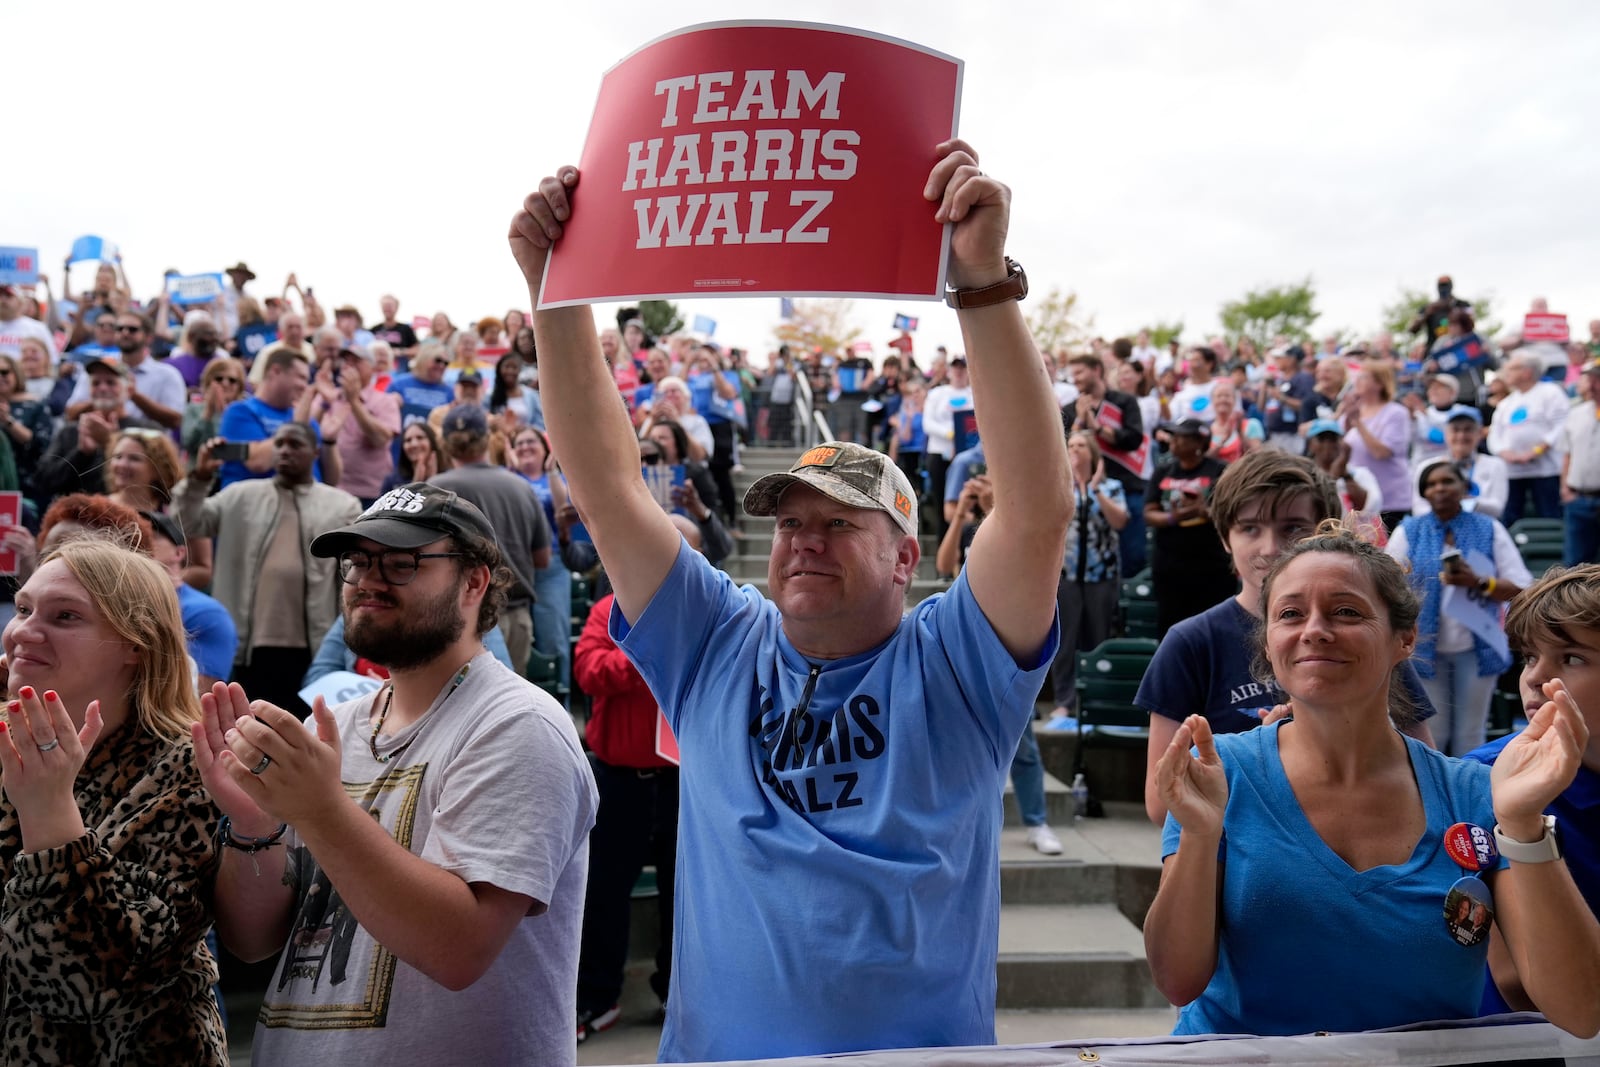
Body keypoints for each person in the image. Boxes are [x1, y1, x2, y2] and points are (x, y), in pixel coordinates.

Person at [513, 140, 1070, 1061]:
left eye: (841, 523)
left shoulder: (957, 664)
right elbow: (608, 483)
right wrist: (556, 291)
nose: (805, 538)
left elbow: (1039, 510)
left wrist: (978, 283)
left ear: (904, 559)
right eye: (793, 521)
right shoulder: (717, 641)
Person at [1145, 526, 1600, 1038]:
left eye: (1346, 612)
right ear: (1269, 644)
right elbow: (1177, 982)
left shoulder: (1478, 792)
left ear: (1404, 638)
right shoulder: (1219, 772)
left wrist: (1522, 826)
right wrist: (1200, 839)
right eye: (1290, 614)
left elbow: (1581, 1010)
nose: (1315, 630)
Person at [197, 485, 598, 1064]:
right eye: (357, 561)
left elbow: (459, 948)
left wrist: (321, 812)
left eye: (401, 562)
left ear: (474, 582)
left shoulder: (519, 724)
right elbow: (252, 941)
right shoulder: (338, 725)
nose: (368, 578)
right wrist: (253, 824)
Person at [0, 537, 229, 1063]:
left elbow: (87, 982)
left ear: (136, 645)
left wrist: (48, 812)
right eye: (23, 608)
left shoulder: (192, 769)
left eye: (64, 616)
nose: (23, 632)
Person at [1137, 451, 1436, 824]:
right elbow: (1160, 802)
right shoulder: (1190, 643)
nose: (1270, 547)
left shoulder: (1364, 637)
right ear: (1224, 538)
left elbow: (1425, 775)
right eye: (1250, 528)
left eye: (1293, 528)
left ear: (1323, 531)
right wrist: (1258, 762)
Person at [571, 514, 711, 1043]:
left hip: (684, 783)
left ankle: (678, 1000)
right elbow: (588, 672)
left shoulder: (710, 616)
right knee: (604, 891)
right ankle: (596, 1000)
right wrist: (645, 656)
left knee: (688, 896)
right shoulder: (608, 610)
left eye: (686, 553)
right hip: (619, 778)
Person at [1462, 564, 1600, 1014]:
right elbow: (1516, 982)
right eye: (1528, 656)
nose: (1535, 678)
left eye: (1572, 658)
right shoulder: (1483, 777)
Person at [175, 423, 361, 714]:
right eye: (280, 443)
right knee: (247, 732)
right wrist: (199, 477)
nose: (285, 449)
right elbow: (190, 522)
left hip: (313, 647)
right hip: (248, 649)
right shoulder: (239, 495)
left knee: (303, 731)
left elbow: (356, 568)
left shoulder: (342, 506)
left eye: (295, 443)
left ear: (314, 452)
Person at [1388, 458, 1530, 756]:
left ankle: (1472, 797)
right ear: (1423, 492)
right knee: (1433, 733)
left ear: (1464, 488)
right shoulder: (1409, 531)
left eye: (1447, 481)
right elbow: (1387, 585)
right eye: (1432, 483)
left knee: (1470, 733)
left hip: (1478, 646)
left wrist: (1480, 582)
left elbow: (1522, 587)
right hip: (1424, 651)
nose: (1440, 488)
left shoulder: (1489, 529)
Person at [431, 404, 553, 673]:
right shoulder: (521, 485)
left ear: (446, 444)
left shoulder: (436, 489)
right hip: (516, 616)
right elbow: (543, 559)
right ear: (487, 438)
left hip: (465, 620)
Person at [1044, 430, 1127, 723]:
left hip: (1101, 575)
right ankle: (1065, 701)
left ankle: (1094, 700)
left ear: (1092, 453)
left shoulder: (1110, 486)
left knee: (1097, 638)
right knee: (1065, 641)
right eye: (1071, 445)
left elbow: (1120, 521)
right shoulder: (1057, 487)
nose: (1076, 450)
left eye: (1081, 445)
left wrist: (1093, 489)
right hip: (1065, 575)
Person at [1144, 418, 1234, 635]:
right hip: (1169, 567)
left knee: (1212, 630)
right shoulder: (1163, 471)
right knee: (1171, 628)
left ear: (1198, 442)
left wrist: (1204, 511)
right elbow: (1149, 513)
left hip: (1211, 568)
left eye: (1181, 436)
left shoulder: (1220, 471)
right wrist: (1174, 518)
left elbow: (1232, 513)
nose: (1173, 440)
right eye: (1173, 435)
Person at [1068, 352, 1147, 576]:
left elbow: (1134, 439)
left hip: (1127, 486)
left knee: (1133, 556)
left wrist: (1097, 426)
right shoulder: (1069, 408)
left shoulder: (1124, 402)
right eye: (1072, 374)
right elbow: (1065, 448)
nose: (1075, 379)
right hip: (1085, 493)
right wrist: (1080, 422)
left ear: (1097, 371)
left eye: (1080, 372)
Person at [143, 509, 237, 689]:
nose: (139, 541)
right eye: (132, 534)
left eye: (151, 535)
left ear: (179, 553)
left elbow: (200, 693)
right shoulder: (117, 606)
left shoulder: (207, 613)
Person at [1488, 352, 1570, 527]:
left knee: (1549, 515)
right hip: (1512, 472)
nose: (1506, 372)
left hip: (1545, 470)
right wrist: (1504, 452)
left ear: (1527, 372)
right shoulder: (1507, 403)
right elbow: (1495, 433)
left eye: (1511, 368)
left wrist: (1536, 451)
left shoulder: (1551, 393)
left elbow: (1562, 426)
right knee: (1510, 517)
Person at [1339, 359, 1412, 531]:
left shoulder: (1395, 413)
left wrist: (1358, 424)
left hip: (1390, 501)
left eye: (1363, 377)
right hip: (1359, 500)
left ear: (1379, 384)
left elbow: (1382, 453)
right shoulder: (1352, 412)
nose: (1356, 380)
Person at [1559, 359, 1600, 565]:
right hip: (1579, 500)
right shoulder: (1575, 413)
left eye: (1598, 379)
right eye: (1589, 379)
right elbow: (1567, 454)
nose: (1593, 385)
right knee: (1575, 567)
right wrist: (1565, 488)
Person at [181, 356, 247, 462]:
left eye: (232, 380)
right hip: (200, 473)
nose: (225, 384)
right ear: (208, 382)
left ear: (240, 386)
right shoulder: (193, 409)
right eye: (219, 379)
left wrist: (226, 412)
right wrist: (208, 412)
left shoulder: (245, 412)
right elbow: (189, 444)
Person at [1205, 378, 1263, 464]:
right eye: (1219, 396)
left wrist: (1240, 432)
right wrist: (1223, 440)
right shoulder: (1206, 429)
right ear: (1212, 401)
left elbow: (1258, 457)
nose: (1223, 400)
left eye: (1227, 396)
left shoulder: (1251, 425)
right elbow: (1204, 461)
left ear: (1235, 400)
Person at [384, 421, 450, 492]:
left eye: (420, 438)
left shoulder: (449, 478)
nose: (414, 444)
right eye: (408, 440)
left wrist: (433, 480)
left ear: (432, 442)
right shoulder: (392, 481)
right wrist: (415, 483)